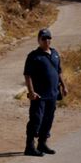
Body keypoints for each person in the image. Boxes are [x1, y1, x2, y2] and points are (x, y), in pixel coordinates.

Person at [23, 28, 68, 156]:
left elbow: (59, 71)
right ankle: (29, 146)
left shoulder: (55, 53)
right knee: (36, 119)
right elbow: (27, 75)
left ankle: (42, 143)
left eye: (49, 38)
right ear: (38, 40)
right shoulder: (33, 56)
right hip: (39, 95)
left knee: (48, 119)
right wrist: (31, 92)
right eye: (44, 38)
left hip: (53, 94)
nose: (47, 41)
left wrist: (64, 86)